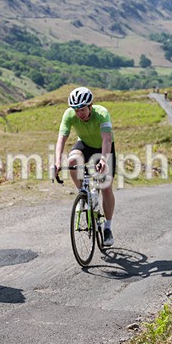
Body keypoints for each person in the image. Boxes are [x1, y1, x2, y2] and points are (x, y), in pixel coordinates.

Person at [53, 86, 116, 247]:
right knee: (72, 162)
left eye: (82, 109)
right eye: (76, 110)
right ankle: (83, 193)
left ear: (90, 106)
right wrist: (57, 162)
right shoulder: (69, 115)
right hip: (85, 145)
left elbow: (106, 140)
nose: (79, 113)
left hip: (104, 148)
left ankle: (107, 228)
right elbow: (61, 139)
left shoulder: (101, 113)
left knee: (106, 187)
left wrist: (103, 160)